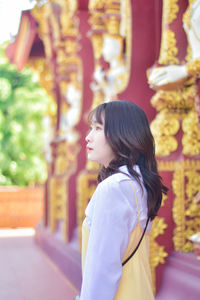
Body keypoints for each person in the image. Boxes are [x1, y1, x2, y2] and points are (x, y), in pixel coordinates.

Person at [78, 100, 168, 300]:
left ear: (122, 134)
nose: (88, 137)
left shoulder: (113, 189)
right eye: (91, 128)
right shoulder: (138, 185)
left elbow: (102, 270)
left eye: (98, 128)